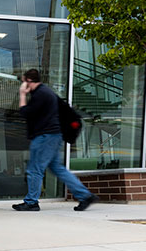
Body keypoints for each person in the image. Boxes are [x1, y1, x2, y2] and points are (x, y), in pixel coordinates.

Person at [12, 69, 98, 212]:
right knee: (57, 168)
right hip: (53, 136)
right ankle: (85, 195)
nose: (22, 85)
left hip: (45, 137)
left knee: (35, 169)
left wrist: (22, 95)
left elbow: (25, 113)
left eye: (23, 82)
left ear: (28, 81)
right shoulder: (46, 92)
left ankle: (31, 202)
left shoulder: (41, 94)